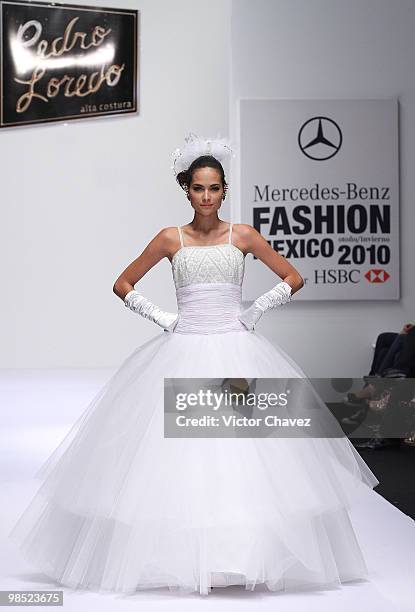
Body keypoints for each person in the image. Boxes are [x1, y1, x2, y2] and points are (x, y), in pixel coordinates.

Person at [9, 135, 381, 597]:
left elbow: (293, 276)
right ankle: (194, 561)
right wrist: (164, 318)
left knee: (244, 458)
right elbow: (122, 283)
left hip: (237, 348)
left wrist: (255, 311)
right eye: (199, 188)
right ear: (186, 189)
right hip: (183, 346)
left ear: (225, 190)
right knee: (178, 460)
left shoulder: (242, 235)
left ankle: (242, 560)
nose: (207, 196)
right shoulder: (170, 238)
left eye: (215, 188)